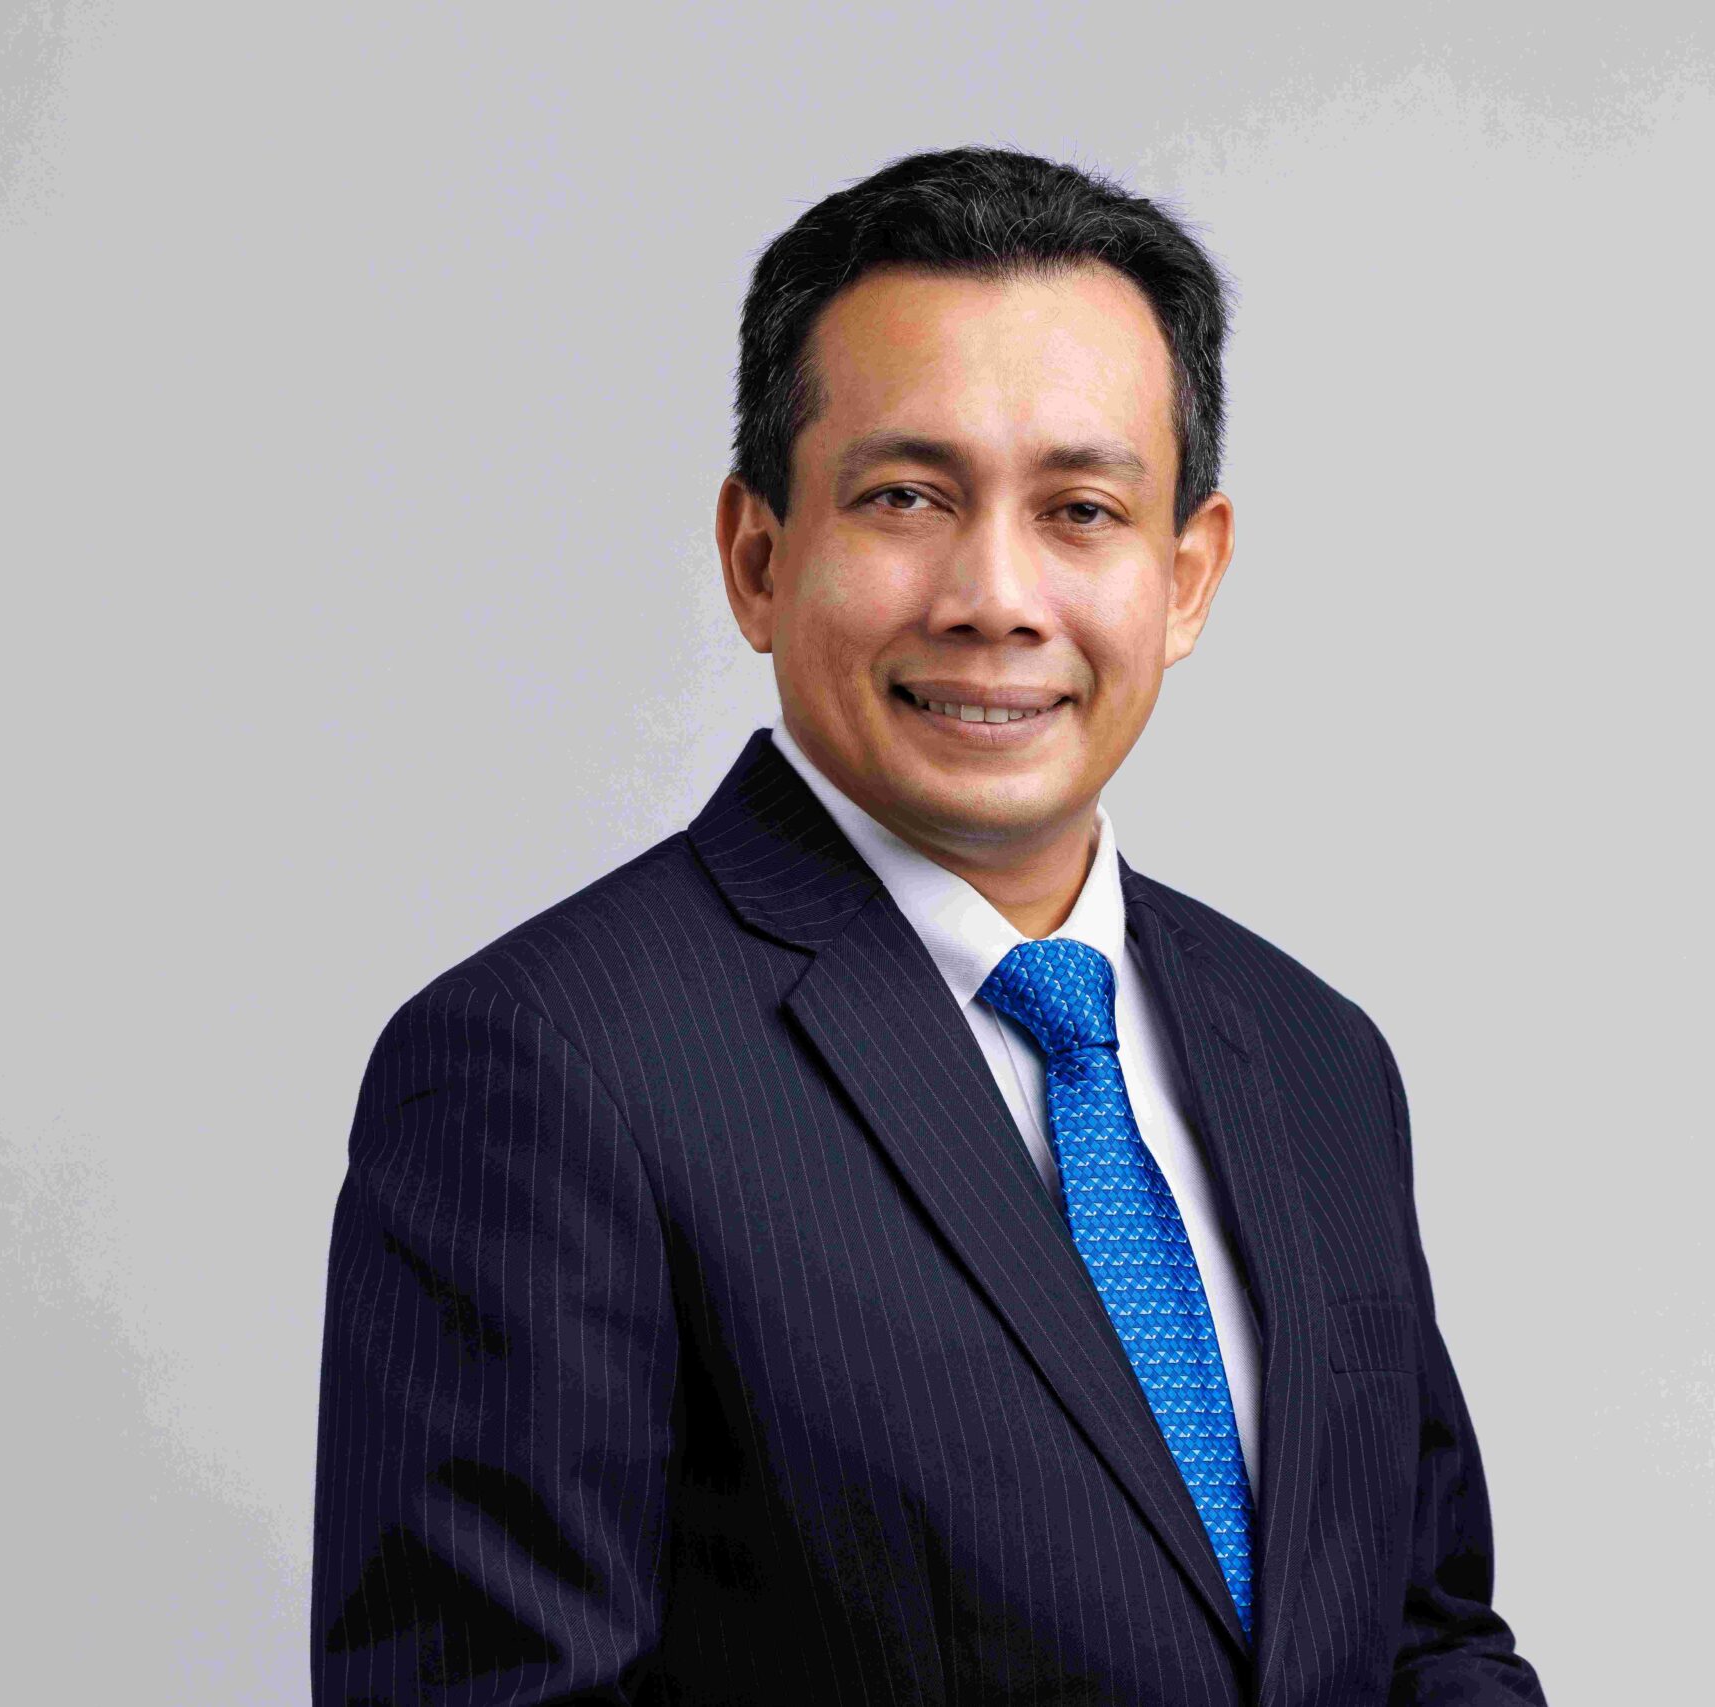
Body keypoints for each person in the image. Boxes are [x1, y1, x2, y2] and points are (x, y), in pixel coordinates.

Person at [311, 145, 1548, 1705]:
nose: (995, 597)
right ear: (759, 558)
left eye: (1082, 509)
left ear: (1187, 576)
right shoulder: (543, 1069)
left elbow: (1423, 1636)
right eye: (907, 498)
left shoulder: (1316, 1058)